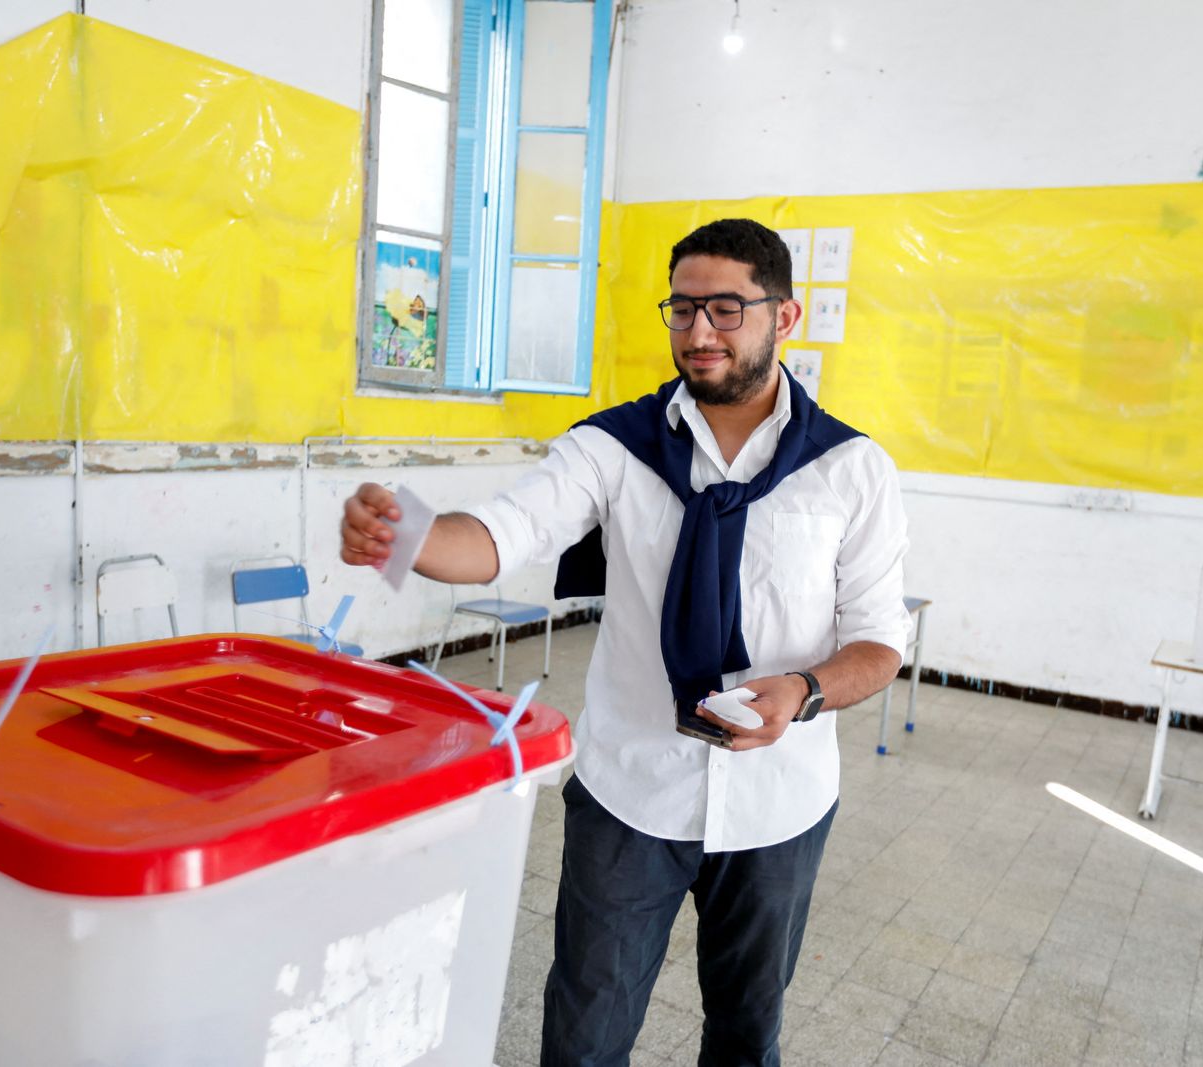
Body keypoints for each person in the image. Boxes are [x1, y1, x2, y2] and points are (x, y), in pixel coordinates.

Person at [341, 218, 911, 1067]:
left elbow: (878, 640)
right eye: (681, 309)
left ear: (784, 318)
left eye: (725, 308)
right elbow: (505, 531)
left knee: (748, 1038)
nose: (699, 332)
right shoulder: (615, 448)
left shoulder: (850, 469)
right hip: (631, 791)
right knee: (584, 1037)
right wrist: (406, 534)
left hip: (778, 801)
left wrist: (802, 692)